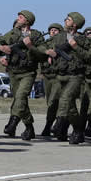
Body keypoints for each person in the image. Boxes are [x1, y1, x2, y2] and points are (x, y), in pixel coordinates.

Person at [0, 10, 46, 140]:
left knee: (21, 96)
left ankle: (12, 123)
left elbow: (42, 54)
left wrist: (31, 46)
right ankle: (29, 127)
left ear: (27, 21)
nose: (18, 18)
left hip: (28, 72)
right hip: (13, 72)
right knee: (19, 100)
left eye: (21, 17)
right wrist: (1, 49)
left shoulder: (36, 35)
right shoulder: (12, 33)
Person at [45, 13, 89, 144]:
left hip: (76, 75)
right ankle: (78, 130)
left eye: (68, 19)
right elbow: (45, 46)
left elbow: (88, 56)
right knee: (69, 106)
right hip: (60, 74)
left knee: (66, 98)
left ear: (75, 24)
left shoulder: (84, 40)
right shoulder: (59, 37)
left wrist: (75, 47)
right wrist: (48, 53)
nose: (65, 21)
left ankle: (59, 123)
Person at [40, 23, 63, 136]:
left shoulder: (63, 43)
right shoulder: (45, 43)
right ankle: (49, 125)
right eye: (51, 30)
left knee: (55, 100)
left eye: (55, 30)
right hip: (47, 75)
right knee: (50, 101)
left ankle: (55, 125)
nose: (53, 32)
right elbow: (39, 49)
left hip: (58, 76)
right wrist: (47, 52)